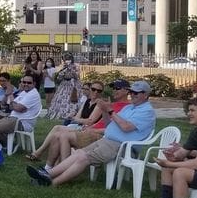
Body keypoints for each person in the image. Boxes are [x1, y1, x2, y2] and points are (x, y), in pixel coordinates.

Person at [27, 80, 155, 187]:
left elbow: (126, 127)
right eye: (131, 92)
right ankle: (47, 174)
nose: (132, 94)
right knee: (79, 153)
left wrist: (110, 111)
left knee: (83, 158)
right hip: (107, 140)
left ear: (145, 95)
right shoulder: (129, 108)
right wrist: (105, 111)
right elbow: (108, 125)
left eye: (135, 93)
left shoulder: (147, 112)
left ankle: (52, 182)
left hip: (121, 146)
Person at [0, 72, 42, 148]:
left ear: (34, 84)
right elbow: (11, 107)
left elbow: (17, 108)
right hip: (13, 117)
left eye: (29, 82)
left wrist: (11, 96)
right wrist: (15, 105)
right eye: (24, 82)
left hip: (22, 122)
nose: (26, 84)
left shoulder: (33, 94)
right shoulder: (24, 92)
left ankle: (7, 145)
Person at [46, 54, 81, 120]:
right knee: (60, 98)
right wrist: (63, 70)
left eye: (68, 58)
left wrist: (71, 70)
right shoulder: (62, 67)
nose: (67, 60)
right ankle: (59, 113)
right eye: (65, 59)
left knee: (73, 99)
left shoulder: (76, 66)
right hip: (64, 84)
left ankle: (73, 113)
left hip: (73, 85)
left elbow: (77, 76)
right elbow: (59, 78)